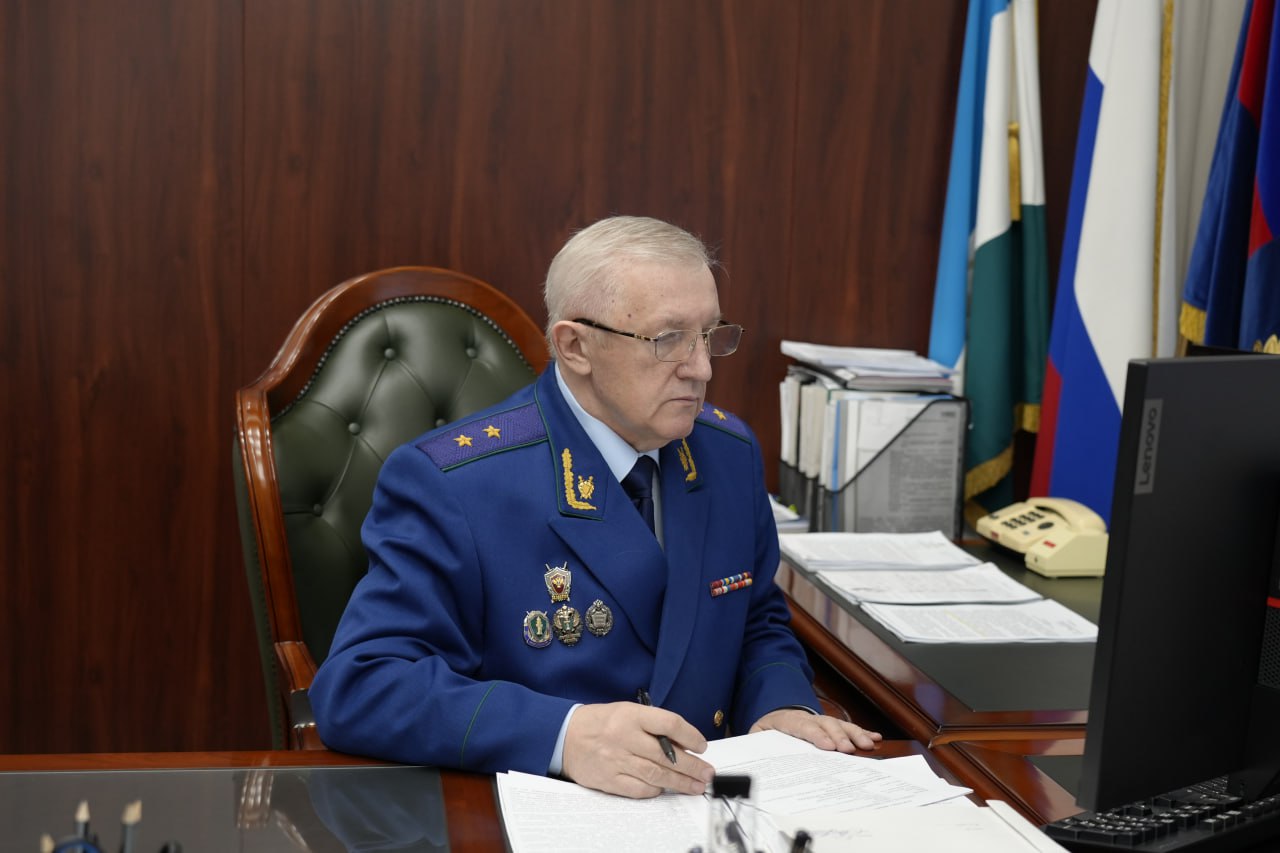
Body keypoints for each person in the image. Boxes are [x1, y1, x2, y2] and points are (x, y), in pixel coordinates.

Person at [309, 215, 882, 798]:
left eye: (709, 334)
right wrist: (562, 735)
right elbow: (361, 687)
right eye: (669, 339)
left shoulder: (728, 453)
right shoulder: (454, 482)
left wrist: (779, 705)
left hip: (707, 803)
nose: (702, 368)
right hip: (546, 809)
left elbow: (756, 622)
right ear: (575, 346)